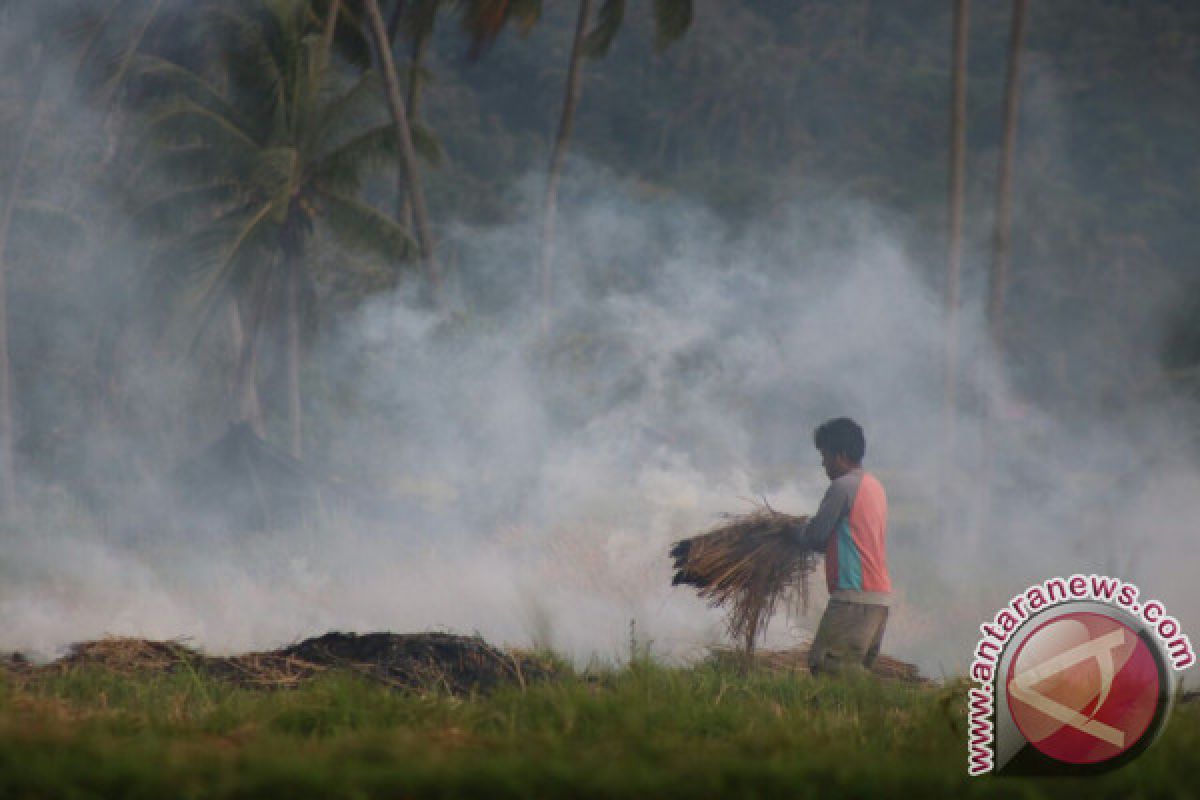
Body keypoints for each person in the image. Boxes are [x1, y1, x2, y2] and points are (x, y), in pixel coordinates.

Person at [788, 417, 891, 676]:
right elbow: (844, 538)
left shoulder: (842, 487)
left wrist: (791, 531)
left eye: (825, 456)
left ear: (841, 455)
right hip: (878, 598)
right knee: (850, 673)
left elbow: (815, 535)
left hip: (853, 596)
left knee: (828, 667)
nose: (823, 464)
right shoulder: (874, 486)